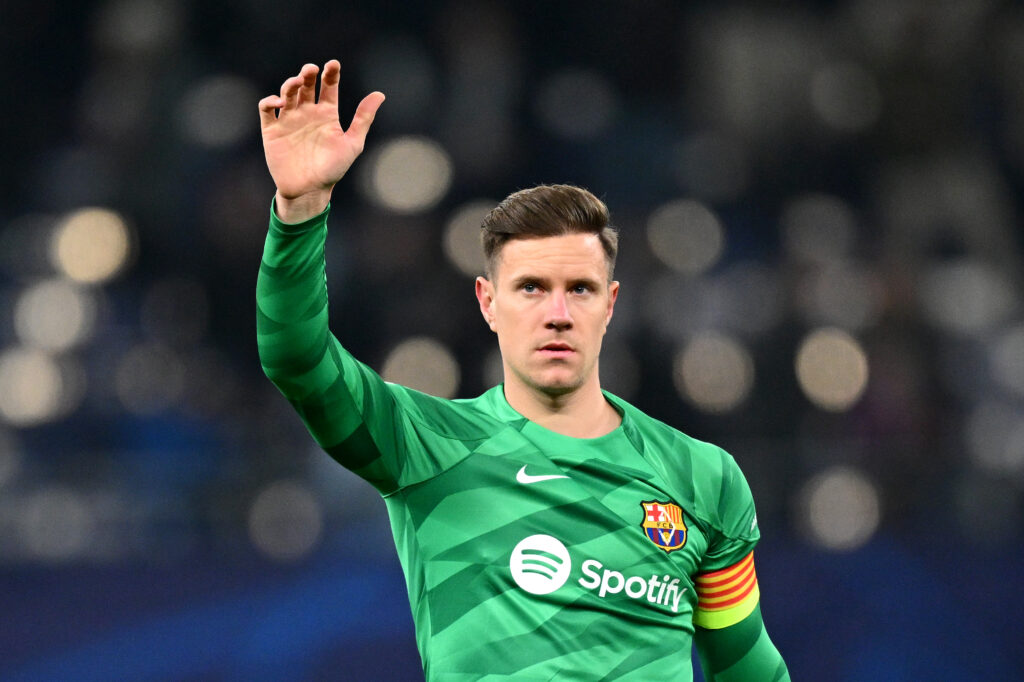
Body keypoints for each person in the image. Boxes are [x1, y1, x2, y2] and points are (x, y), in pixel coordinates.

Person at [257, 60, 790, 681]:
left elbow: (748, 666)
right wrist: (300, 208)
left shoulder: (703, 477)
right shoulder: (425, 446)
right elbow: (296, 356)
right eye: (532, 288)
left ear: (611, 304)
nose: (558, 314)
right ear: (488, 302)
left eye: (581, 290)